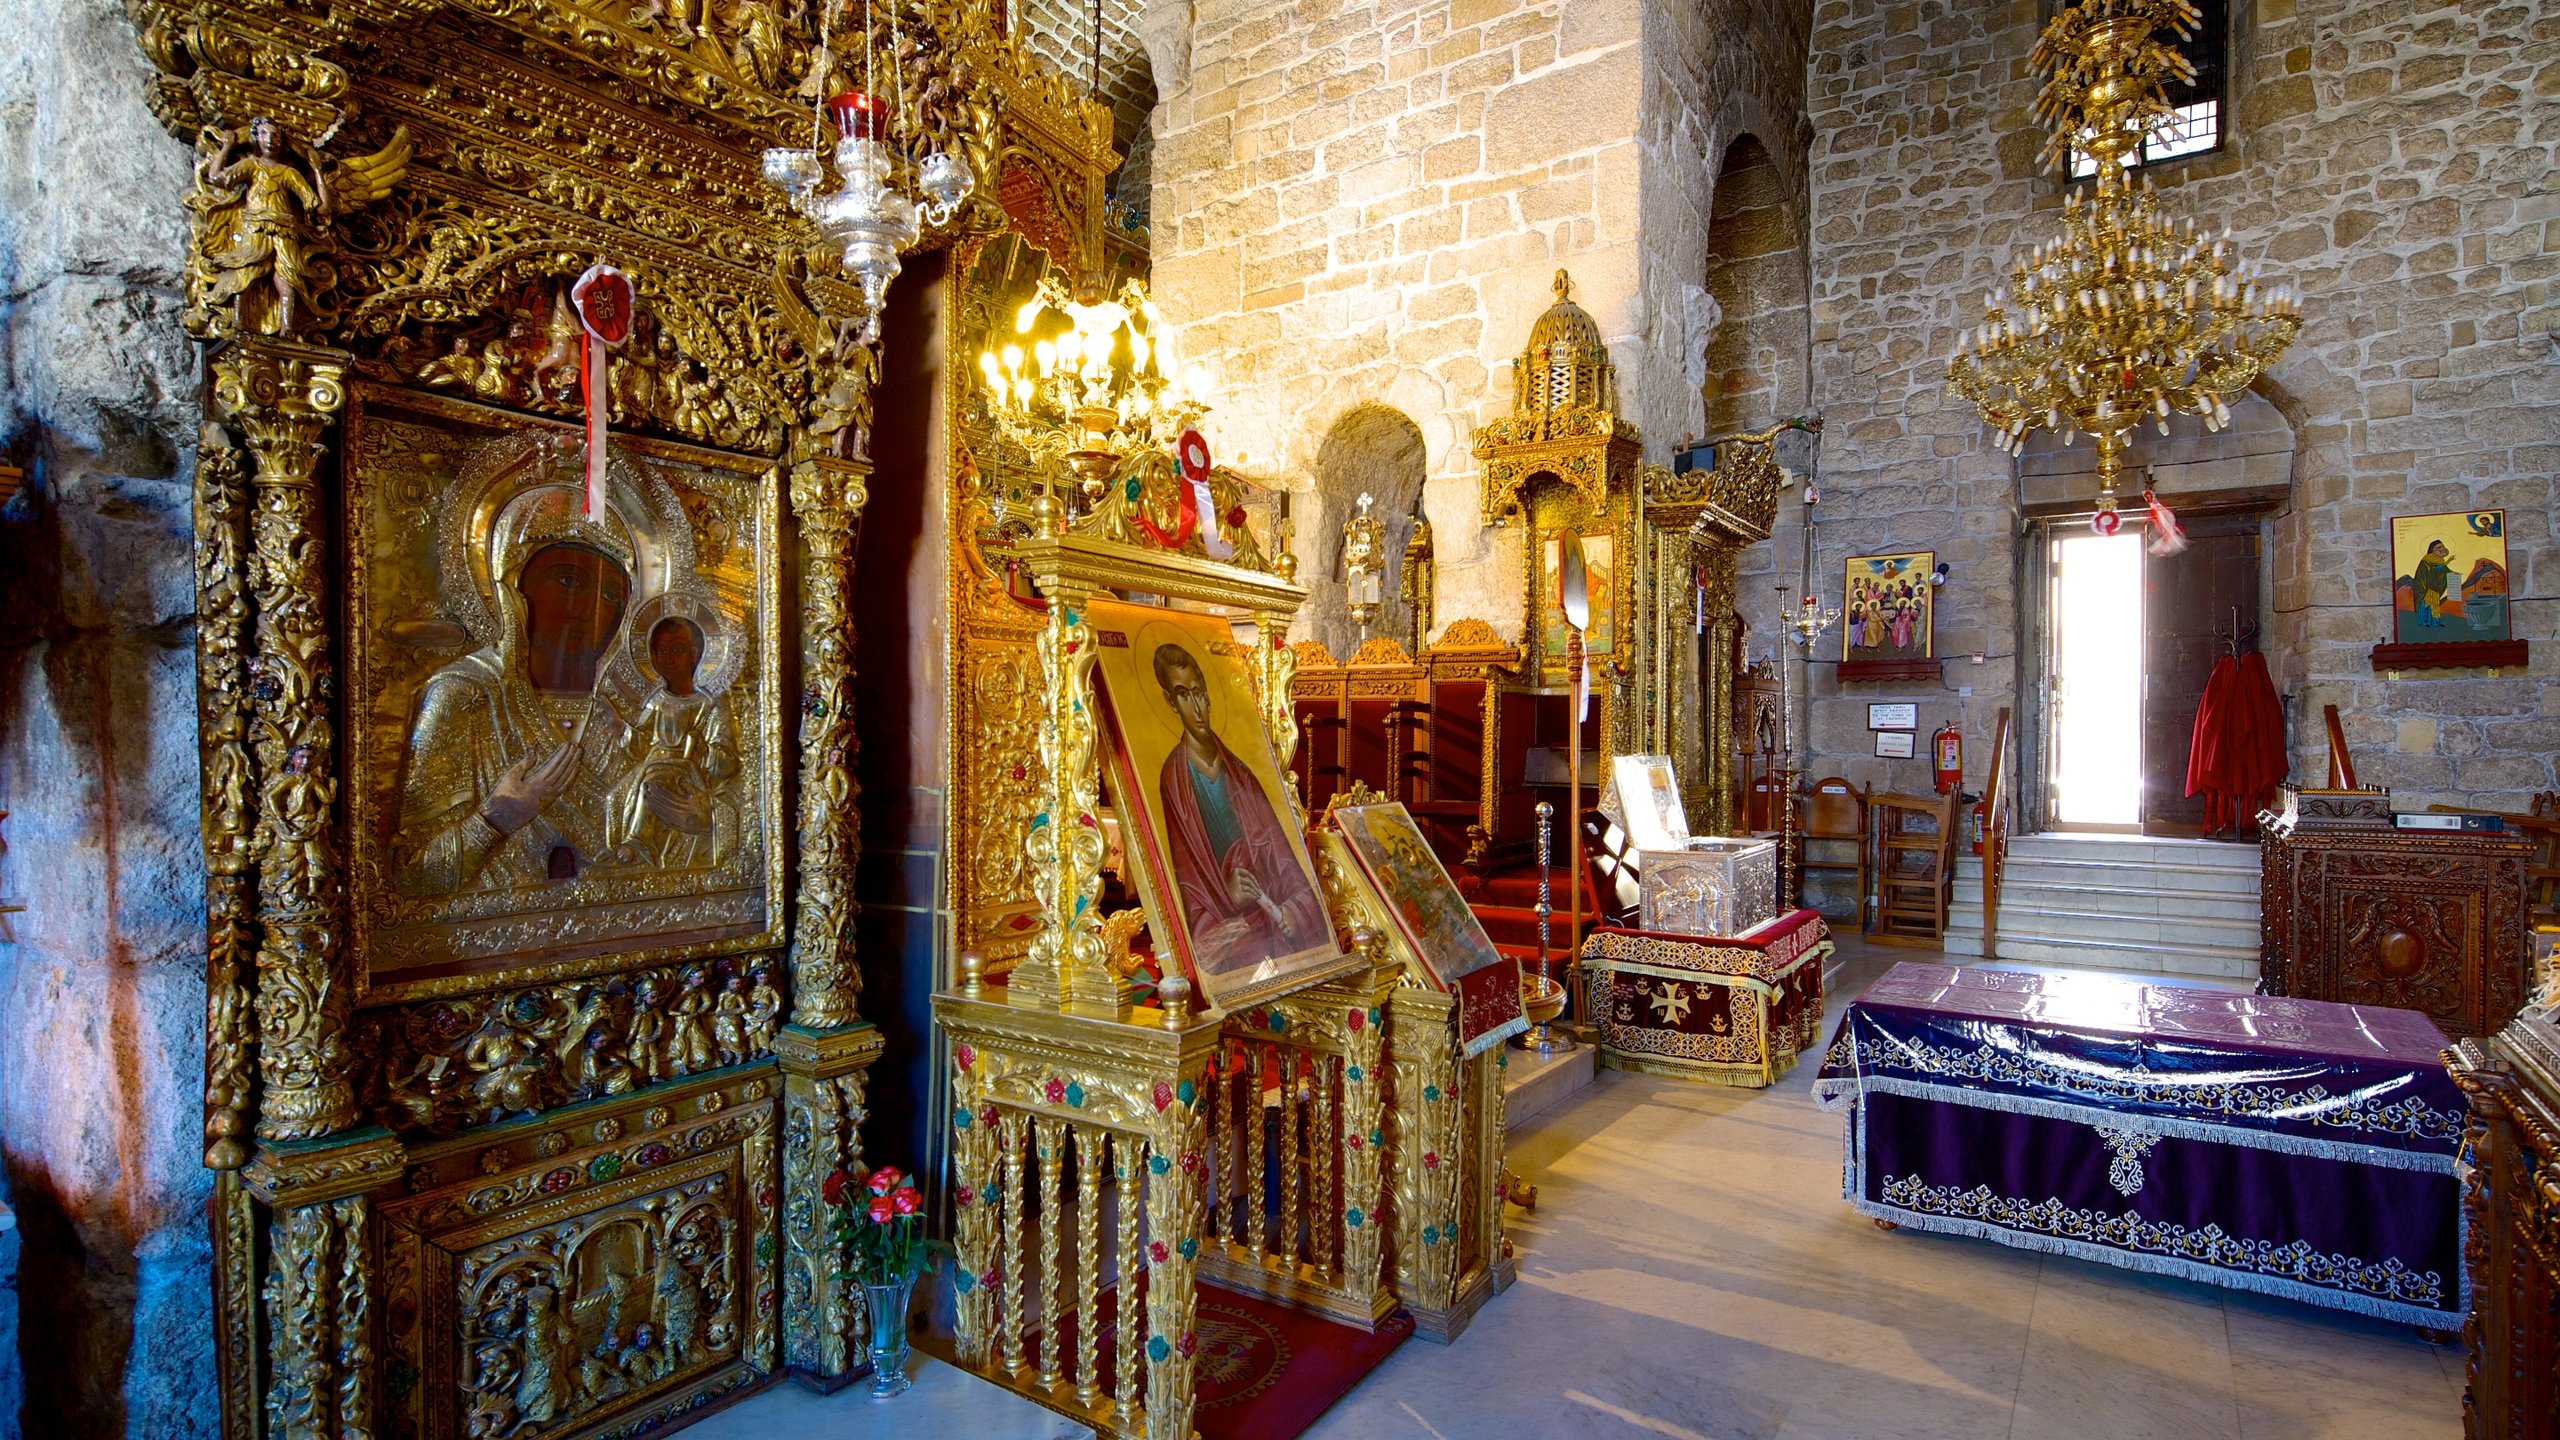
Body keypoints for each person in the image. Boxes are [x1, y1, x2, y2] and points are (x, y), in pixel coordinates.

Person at [392, 509, 633, 895]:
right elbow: (411, 876)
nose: (590, 609)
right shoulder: (463, 696)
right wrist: (500, 817)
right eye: (570, 581)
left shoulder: (618, 714)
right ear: (516, 589)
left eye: (610, 595)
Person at [1149, 643, 1327, 973]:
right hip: (1228, 937)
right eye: (1184, 695)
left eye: (1199, 692)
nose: (1197, 707)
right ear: (1170, 703)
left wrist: (1292, 910)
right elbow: (1186, 886)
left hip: (1270, 926)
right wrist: (1229, 896)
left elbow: (1283, 859)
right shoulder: (1174, 781)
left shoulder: (1242, 775)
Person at [605, 612, 738, 870]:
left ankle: (639, 843)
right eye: (661, 651)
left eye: (677, 649)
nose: (669, 659)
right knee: (623, 793)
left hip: (689, 775)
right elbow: (641, 744)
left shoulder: (708, 707)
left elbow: (727, 764)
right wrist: (623, 730)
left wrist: (701, 752)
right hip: (652, 767)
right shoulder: (657, 702)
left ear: (696, 654)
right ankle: (634, 846)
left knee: (654, 779)